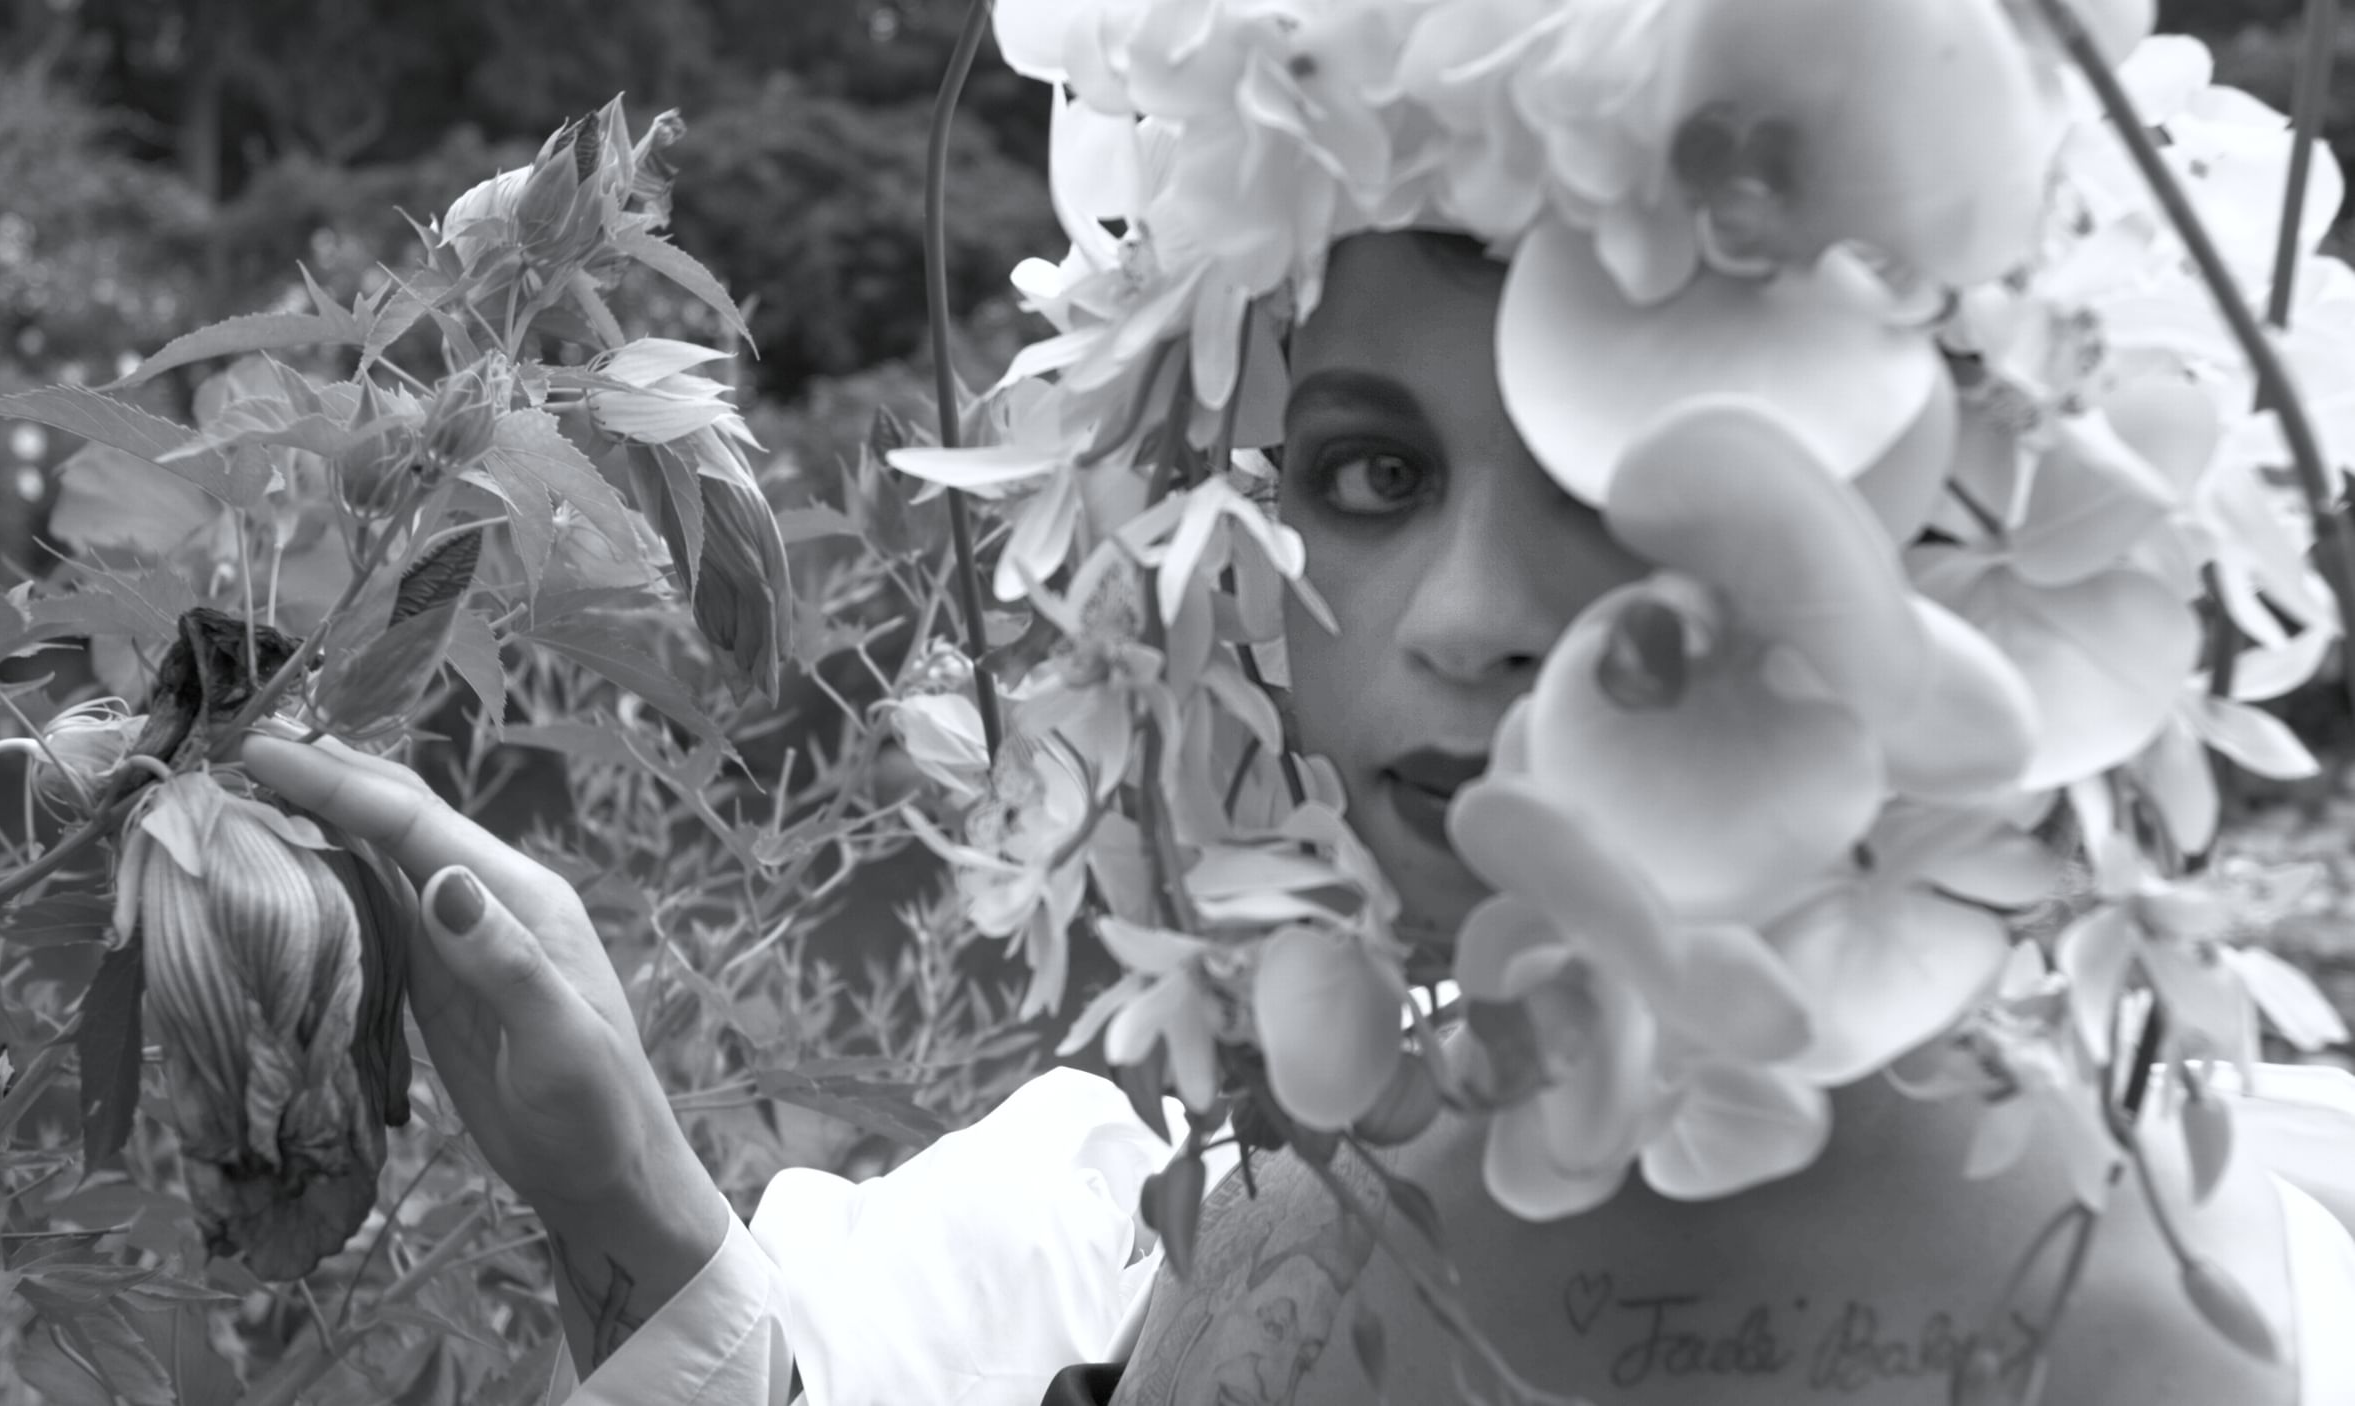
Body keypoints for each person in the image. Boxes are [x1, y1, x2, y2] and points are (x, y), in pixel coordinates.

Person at [238, 225, 2355, 1404]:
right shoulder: (1146, 1209)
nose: (1463, 614)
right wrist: (619, 1191)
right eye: (1368, 473)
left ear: (1925, 538)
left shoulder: (2213, 1278)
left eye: (1609, 481)